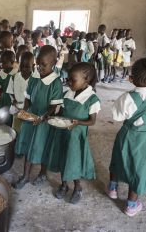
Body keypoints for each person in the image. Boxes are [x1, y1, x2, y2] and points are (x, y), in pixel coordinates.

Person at [107, 58, 146, 217]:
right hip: (145, 138)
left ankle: (112, 189)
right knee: (139, 168)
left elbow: (116, 116)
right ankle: (131, 205)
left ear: (131, 78)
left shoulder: (125, 97)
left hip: (127, 134)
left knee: (118, 158)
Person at [47, 62, 100, 204]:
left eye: (73, 80)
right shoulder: (67, 93)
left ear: (86, 80)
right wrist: (54, 116)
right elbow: (62, 112)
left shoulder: (92, 99)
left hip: (76, 138)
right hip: (63, 134)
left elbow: (92, 121)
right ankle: (64, 185)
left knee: (74, 162)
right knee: (63, 159)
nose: (69, 82)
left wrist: (78, 122)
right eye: (68, 79)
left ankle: (77, 187)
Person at [13, 46, 63, 189]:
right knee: (29, 146)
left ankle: (42, 172)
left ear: (53, 63)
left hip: (44, 121)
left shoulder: (55, 83)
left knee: (42, 147)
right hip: (31, 118)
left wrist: (44, 116)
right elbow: (28, 98)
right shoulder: (34, 78)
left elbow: (54, 106)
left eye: (44, 65)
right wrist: (24, 111)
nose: (40, 67)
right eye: (38, 64)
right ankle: (25, 176)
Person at [7, 52, 34, 135]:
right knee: (15, 129)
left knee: (26, 131)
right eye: (22, 66)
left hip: (29, 111)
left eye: (27, 67)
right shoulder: (14, 77)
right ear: (19, 64)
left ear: (33, 66)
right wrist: (13, 99)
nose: (24, 69)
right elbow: (10, 91)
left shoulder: (35, 80)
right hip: (17, 108)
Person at [0, 50, 18, 126]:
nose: (1, 64)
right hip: (3, 98)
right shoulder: (1, 73)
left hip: (12, 99)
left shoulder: (16, 74)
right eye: (0, 62)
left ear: (12, 62)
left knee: (10, 117)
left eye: (4, 62)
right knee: (2, 115)